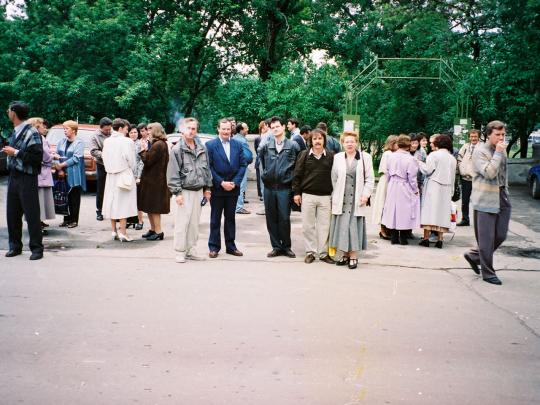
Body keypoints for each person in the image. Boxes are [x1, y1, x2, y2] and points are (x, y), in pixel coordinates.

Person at [464, 121, 511, 285]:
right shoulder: (480, 151)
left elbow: (503, 173)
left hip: (502, 196)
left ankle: (474, 256)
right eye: (497, 134)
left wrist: (506, 190)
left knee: (501, 234)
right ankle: (488, 273)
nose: (501, 137)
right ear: (488, 135)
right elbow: (489, 173)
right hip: (485, 198)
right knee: (486, 239)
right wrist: (498, 153)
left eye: (503, 134)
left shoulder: (501, 150)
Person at [167, 117, 212, 263]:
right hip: (184, 191)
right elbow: (173, 173)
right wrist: (177, 193)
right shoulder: (177, 149)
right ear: (182, 129)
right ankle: (180, 251)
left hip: (198, 191)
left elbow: (207, 170)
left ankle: (191, 249)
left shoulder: (202, 148)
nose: (191, 131)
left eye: (194, 128)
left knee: (194, 224)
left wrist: (207, 188)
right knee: (182, 223)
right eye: (188, 128)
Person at [3, 101, 44, 260]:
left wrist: (15, 152)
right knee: (12, 213)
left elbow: (37, 158)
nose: (7, 112)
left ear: (14, 113)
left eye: (9, 110)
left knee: (31, 213)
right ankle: (15, 246)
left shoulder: (31, 132)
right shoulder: (15, 131)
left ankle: (37, 249)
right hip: (13, 176)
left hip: (27, 177)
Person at [329, 131, 375, 269]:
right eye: (346, 141)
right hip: (342, 198)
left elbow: (370, 178)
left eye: (352, 141)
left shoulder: (365, 157)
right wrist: (335, 195)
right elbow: (334, 178)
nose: (349, 144)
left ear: (357, 143)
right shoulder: (338, 157)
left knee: (353, 227)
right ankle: (344, 254)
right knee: (342, 227)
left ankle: (353, 256)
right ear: (342, 143)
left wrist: (365, 195)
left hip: (357, 198)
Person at [258, 116, 300, 258]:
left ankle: (286, 246)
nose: (275, 129)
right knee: (271, 218)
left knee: (284, 218)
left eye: (277, 126)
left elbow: (298, 167)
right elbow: (262, 163)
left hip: (284, 188)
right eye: (273, 127)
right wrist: (266, 175)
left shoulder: (293, 146)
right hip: (269, 188)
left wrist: (295, 187)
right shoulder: (266, 146)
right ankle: (276, 246)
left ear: (283, 127)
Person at [292, 128, 335, 264]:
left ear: (324, 140)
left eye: (320, 138)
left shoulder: (331, 156)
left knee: (324, 227)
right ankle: (310, 252)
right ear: (311, 141)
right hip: (308, 195)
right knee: (308, 226)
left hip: (325, 197)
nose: (317, 141)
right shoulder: (304, 155)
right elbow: (297, 175)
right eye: (315, 139)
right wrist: (296, 193)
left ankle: (323, 253)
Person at [205, 118, 247, 258]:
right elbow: (209, 167)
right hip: (217, 188)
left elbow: (243, 165)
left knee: (230, 218)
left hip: (233, 189)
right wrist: (221, 182)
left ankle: (231, 247)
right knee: (215, 219)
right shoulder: (210, 145)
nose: (226, 131)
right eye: (223, 129)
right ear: (218, 129)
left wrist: (235, 182)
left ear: (231, 130)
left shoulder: (237, 145)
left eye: (228, 129)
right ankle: (214, 247)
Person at [417, 135, 457, 248]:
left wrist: (419, 163)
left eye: (433, 142)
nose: (431, 144)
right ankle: (440, 239)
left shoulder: (433, 155)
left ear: (438, 143)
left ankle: (426, 238)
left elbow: (428, 170)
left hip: (433, 185)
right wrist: (452, 191)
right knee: (442, 213)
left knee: (429, 211)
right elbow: (453, 177)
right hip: (447, 187)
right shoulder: (452, 159)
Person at [101, 118, 138, 242]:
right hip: (123, 173)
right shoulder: (127, 141)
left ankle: (113, 231)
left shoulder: (107, 141)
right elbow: (131, 161)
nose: (127, 131)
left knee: (112, 202)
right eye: (126, 129)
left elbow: (103, 157)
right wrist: (132, 171)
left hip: (110, 175)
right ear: (121, 128)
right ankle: (123, 232)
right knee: (123, 204)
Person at [380, 135, 420, 245]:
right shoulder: (411, 159)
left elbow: (387, 172)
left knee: (392, 209)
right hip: (404, 185)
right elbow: (412, 177)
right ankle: (403, 237)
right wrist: (415, 189)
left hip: (393, 184)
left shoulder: (391, 156)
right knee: (404, 210)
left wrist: (390, 183)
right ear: (408, 145)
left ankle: (394, 237)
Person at [138, 122, 170, 241]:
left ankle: (158, 231)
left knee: (154, 207)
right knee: (149, 206)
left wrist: (143, 150)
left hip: (155, 181)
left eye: (150, 129)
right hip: (152, 180)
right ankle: (153, 229)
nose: (148, 132)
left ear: (156, 130)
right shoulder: (158, 143)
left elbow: (148, 160)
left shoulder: (159, 144)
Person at [54, 120, 87, 228]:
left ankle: (74, 220)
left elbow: (76, 158)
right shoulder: (62, 141)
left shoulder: (79, 143)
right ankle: (66, 219)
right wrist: (59, 168)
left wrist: (62, 165)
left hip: (74, 174)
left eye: (67, 129)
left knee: (74, 198)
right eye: (64, 129)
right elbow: (56, 154)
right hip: (61, 173)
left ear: (73, 130)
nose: (64, 131)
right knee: (64, 196)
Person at [28, 117, 55, 234]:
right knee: (40, 200)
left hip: (38, 173)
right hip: (41, 174)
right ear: (37, 127)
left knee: (40, 199)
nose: (45, 128)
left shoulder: (34, 138)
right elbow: (45, 156)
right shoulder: (39, 139)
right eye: (43, 126)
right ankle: (38, 225)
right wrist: (52, 156)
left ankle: (39, 222)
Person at [371, 135, 398, 240]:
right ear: (392, 143)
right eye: (396, 143)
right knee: (383, 204)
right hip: (386, 181)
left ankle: (387, 228)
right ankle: (383, 230)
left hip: (390, 180)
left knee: (389, 205)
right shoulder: (388, 154)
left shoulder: (393, 154)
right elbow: (385, 169)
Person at [90, 117, 113, 221]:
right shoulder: (95, 136)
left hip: (114, 164)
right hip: (102, 164)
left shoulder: (113, 134)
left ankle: (113, 211)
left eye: (109, 129)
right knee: (101, 188)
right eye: (106, 130)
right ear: (101, 128)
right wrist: (105, 154)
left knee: (113, 188)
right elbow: (93, 151)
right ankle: (99, 210)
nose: (108, 132)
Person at [456, 129, 481, 226]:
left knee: (478, 201)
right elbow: (459, 158)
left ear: (478, 137)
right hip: (465, 178)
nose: (473, 138)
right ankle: (465, 219)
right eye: (471, 136)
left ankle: (479, 221)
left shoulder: (483, 147)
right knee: (465, 200)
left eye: (475, 136)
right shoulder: (465, 147)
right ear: (469, 137)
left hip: (478, 179)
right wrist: (461, 168)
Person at [233, 122, 253, 214]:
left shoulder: (234, 138)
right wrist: (249, 160)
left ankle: (236, 206)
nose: (248, 129)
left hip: (235, 166)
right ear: (241, 130)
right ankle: (239, 207)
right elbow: (248, 156)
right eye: (246, 128)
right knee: (241, 186)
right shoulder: (241, 140)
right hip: (241, 167)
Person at [254, 120, 266, 201]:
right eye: (263, 127)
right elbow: (257, 150)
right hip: (259, 160)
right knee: (259, 178)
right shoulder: (258, 138)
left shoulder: (269, 137)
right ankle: (261, 194)